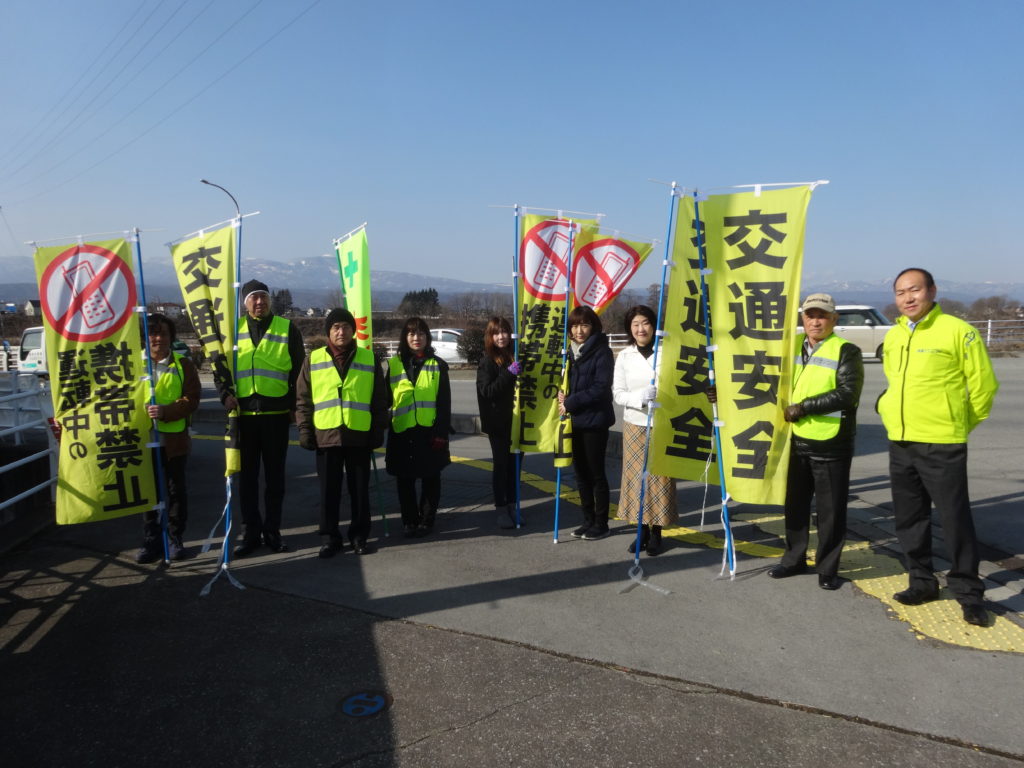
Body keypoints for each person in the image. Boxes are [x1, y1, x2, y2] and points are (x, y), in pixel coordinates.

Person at [877, 268, 999, 626]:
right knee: (909, 518)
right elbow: (894, 383)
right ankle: (921, 582)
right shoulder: (895, 334)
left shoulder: (958, 331)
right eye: (900, 292)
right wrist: (887, 410)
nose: (908, 298)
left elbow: (984, 387)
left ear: (932, 291)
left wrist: (958, 424)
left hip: (943, 442)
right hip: (901, 441)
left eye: (914, 290)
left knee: (954, 519)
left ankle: (968, 592)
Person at [767, 293, 863, 590]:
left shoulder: (846, 350)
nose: (816, 321)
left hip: (830, 444)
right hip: (794, 440)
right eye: (810, 315)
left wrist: (805, 407)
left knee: (830, 512)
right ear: (802, 318)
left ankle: (827, 568)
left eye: (822, 315)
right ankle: (793, 559)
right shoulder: (791, 345)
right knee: (795, 506)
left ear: (834, 319)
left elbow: (848, 394)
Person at [215, 279, 305, 557]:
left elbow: (299, 370)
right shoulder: (233, 331)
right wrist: (224, 395)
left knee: (275, 479)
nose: (259, 302)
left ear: (269, 300)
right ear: (245, 303)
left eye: (263, 296)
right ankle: (250, 533)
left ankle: (273, 532)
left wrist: (294, 405)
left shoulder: (286, 328)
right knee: (248, 480)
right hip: (244, 417)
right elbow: (219, 367)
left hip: (276, 416)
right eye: (253, 297)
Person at [296, 308, 389, 557]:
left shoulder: (368, 359)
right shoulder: (313, 359)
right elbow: (303, 399)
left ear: (353, 330)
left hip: (359, 435)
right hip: (326, 436)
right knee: (329, 492)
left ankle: (359, 537)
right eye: (336, 327)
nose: (341, 331)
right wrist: (305, 430)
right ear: (328, 331)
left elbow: (379, 399)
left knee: (359, 491)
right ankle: (330, 538)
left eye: (346, 326)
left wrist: (378, 429)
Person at [135, 313, 201, 563]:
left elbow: (192, 399)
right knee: (148, 492)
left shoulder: (183, 364)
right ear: (145, 336)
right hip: (143, 439)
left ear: (171, 337)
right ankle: (150, 539)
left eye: (163, 333)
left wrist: (166, 411)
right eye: (153, 333)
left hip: (174, 441)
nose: (158, 338)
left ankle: (174, 538)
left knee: (176, 491)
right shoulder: (133, 363)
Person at [612, 305, 677, 556]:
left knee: (660, 478)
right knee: (636, 478)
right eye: (635, 324)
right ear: (629, 328)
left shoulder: (667, 352)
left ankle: (657, 531)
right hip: (635, 424)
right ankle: (641, 531)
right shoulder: (624, 356)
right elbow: (618, 394)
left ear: (654, 325)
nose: (641, 329)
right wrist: (640, 397)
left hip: (662, 423)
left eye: (646, 323)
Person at [385, 317, 452, 537]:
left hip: (428, 431)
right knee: (404, 479)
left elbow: (444, 403)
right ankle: (409, 520)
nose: (416, 338)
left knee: (431, 477)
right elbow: (385, 398)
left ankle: (427, 520)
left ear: (427, 337)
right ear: (405, 337)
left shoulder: (438, 365)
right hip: (402, 431)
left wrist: (441, 433)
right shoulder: (394, 365)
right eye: (412, 333)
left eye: (421, 333)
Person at [558, 305, 615, 541]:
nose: (579, 330)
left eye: (584, 325)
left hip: (595, 421)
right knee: (580, 473)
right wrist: (562, 393)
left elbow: (601, 387)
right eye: (574, 326)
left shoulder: (602, 351)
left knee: (596, 474)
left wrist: (571, 402)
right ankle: (587, 520)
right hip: (575, 421)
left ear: (593, 326)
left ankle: (602, 523)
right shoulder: (570, 353)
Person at [476, 316, 522, 529]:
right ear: (490, 336)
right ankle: (501, 508)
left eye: (504, 331)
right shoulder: (487, 361)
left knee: (515, 466)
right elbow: (487, 391)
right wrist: (509, 374)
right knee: (501, 466)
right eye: (496, 333)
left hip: (518, 421)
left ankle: (513, 506)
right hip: (498, 424)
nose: (501, 336)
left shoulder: (515, 356)